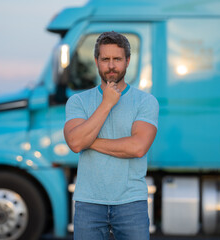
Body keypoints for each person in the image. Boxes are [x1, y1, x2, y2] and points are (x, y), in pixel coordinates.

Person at [64, 31, 159, 240]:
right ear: (96, 61)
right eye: (105, 59)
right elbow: (76, 143)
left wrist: (90, 141)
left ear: (128, 61)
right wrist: (107, 103)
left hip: (131, 203)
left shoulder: (145, 102)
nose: (111, 65)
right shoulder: (78, 102)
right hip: (89, 203)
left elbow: (137, 147)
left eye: (117, 59)